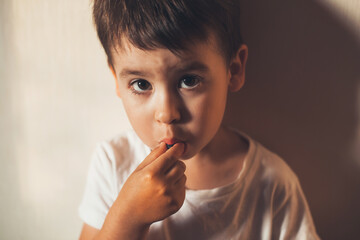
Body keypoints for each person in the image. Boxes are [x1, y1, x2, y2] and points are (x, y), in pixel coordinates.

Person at [78, 0, 320, 239]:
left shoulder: (272, 184)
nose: (167, 113)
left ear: (233, 70)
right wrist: (128, 218)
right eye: (141, 84)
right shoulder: (113, 165)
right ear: (117, 81)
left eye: (189, 80)